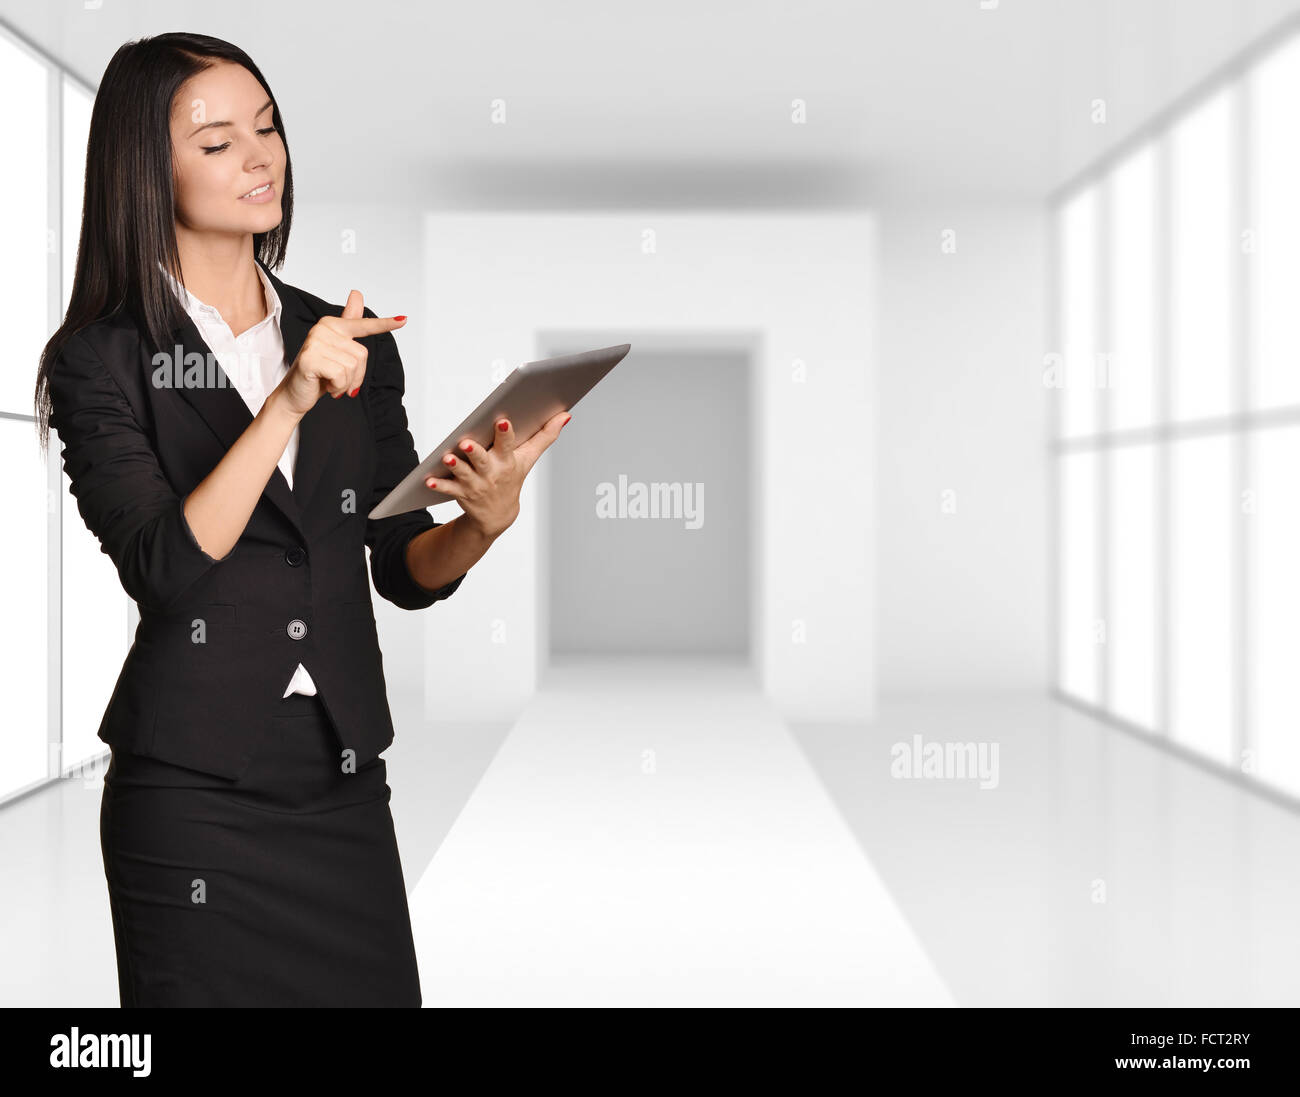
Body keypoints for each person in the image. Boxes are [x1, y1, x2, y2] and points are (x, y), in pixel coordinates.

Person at [33, 31, 570, 1007]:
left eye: (269, 127)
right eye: (217, 140)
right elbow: (163, 564)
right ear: (142, 173)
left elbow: (399, 562)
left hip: (340, 783)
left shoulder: (351, 335)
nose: (260, 154)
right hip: (192, 795)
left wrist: (482, 523)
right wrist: (285, 399)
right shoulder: (99, 359)